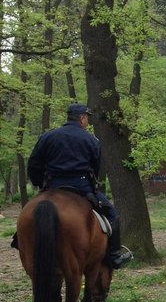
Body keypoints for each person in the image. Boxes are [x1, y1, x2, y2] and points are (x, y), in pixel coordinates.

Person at [25, 103, 132, 269]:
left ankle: (20, 240)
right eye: (87, 118)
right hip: (81, 186)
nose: (87, 121)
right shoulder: (91, 140)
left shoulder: (47, 136)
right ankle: (114, 256)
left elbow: (33, 164)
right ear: (82, 118)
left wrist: (40, 183)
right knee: (112, 216)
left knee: (30, 214)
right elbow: (95, 168)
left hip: (53, 185)